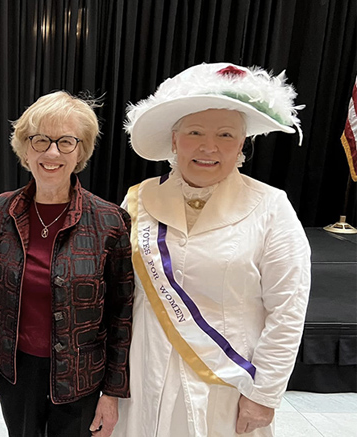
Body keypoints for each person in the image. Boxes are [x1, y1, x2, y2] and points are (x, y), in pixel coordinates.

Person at [114, 63, 311, 437]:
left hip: (228, 386)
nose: (209, 147)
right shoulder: (138, 199)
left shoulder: (271, 206)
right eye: (194, 132)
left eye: (225, 134)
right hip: (144, 375)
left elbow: (288, 308)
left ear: (242, 144)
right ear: (174, 140)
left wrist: (265, 394)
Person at [0, 90, 134, 437]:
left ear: (81, 151)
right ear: (25, 147)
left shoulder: (110, 221)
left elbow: (122, 314)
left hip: (81, 375)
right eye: (40, 140)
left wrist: (113, 393)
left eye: (65, 142)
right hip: (16, 372)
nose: (51, 153)